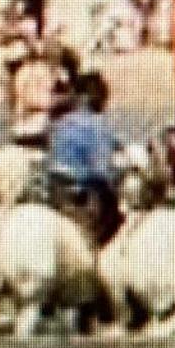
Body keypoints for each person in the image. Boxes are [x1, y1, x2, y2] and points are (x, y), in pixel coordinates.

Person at [49, 72, 121, 242]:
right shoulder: (98, 125)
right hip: (82, 195)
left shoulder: (58, 124)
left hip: (55, 190)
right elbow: (101, 171)